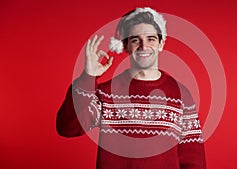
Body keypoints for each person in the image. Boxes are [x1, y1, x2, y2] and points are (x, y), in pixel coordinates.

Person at [56, 7, 206, 169]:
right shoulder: (106, 93)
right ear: (125, 46)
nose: (144, 46)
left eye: (151, 39)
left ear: (161, 44)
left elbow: (193, 157)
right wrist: (88, 77)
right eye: (135, 40)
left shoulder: (181, 94)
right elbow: (67, 128)